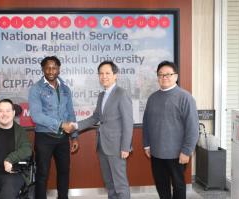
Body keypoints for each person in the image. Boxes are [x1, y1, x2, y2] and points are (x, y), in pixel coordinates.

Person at [67, 61, 133, 199]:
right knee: (109, 183)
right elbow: (96, 117)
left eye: (107, 73)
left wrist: (126, 147)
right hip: (102, 145)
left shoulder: (121, 94)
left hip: (117, 147)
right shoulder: (102, 95)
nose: (104, 76)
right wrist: (76, 126)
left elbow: (128, 123)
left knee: (120, 184)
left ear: (115, 75)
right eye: (101, 73)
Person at [142, 60, 199, 199]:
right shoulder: (152, 98)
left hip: (177, 154)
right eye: (160, 75)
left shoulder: (185, 97)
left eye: (168, 74)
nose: (164, 77)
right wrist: (147, 144)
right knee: (161, 185)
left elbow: (193, 127)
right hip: (156, 153)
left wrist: (187, 151)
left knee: (178, 186)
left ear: (176, 76)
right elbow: (147, 123)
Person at [28, 56, 79, 199]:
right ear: (43, 69)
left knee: (64, 172)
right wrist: (60, 124)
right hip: (44, 137)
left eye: (54, 67)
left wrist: (74, 136)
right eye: (48, 68)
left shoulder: (65, 89)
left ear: (59, 69)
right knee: (42, 173)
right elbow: (36, 116)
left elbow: (70, 113)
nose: (51, 71)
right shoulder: (36, 89)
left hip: (63, 138)